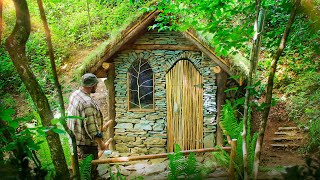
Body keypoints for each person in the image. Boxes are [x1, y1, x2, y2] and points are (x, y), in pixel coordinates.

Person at [67, 73, 106, 179]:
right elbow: (91, 128)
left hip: (75, 139)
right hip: (86, 143)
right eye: (96, 85)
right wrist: (101, 143)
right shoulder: (87, 103)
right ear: (92, 85)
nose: (97, 87)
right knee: (89, 170)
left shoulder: (75, 94)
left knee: (82, 168)